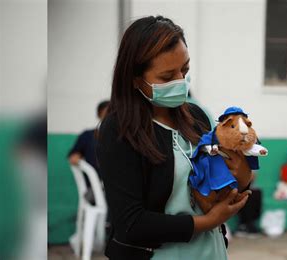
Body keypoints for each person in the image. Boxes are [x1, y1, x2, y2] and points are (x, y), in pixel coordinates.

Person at [96, 16, 252, 260]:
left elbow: (225, 183)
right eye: (167, 77)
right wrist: (207, 221)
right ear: (136, 79)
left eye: (185, 70)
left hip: (210, 252)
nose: (181, 82)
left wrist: (243, 176)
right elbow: (132, 223)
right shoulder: (119, 130)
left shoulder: (198, 118)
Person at [68, 100, 109, 174]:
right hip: (95, 181)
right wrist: (77, 159)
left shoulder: (122, 136)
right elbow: (73, 156)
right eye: (106, 113)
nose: (110, 117)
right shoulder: (88, 135)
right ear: (99, 115)